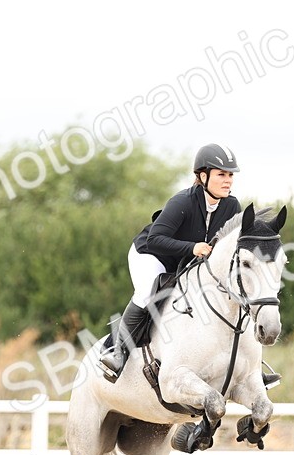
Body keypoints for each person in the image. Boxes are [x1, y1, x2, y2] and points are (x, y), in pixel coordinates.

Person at [98, 143, 243, 382]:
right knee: (148, 293)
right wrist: (192, 247)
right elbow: (155, 239)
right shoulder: (182, 202)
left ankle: (246, 369)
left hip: (185, 262)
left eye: (230, 175)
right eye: (221, 174)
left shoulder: (231, 206)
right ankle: (116, 352)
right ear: (203, 176)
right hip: (152, 254)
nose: (228, 180)